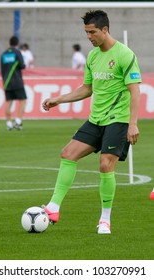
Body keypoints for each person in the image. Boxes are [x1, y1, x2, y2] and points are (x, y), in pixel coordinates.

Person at [42, 10, 141, 234]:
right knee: (68, 153)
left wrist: (133, 123)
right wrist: (59, 99)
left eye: (92, 32)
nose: (89, 36)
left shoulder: (125, 55)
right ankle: (53, 207)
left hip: (118, 120)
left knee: (106, 165)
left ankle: (105, 219)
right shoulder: (93, 56)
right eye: (86, 32)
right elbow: (87, 88)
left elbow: (135, 91)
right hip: (96, 119)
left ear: (105, 30)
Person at [0, 36, 27, 130]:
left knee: (8, 102)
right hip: (17, 81)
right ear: (17, 43)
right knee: (23, 101)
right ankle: (18, 121)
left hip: (7, 81)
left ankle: (8, 123)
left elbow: (2, 70)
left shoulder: (3, 54)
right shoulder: (17, 52)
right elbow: (22, 65)